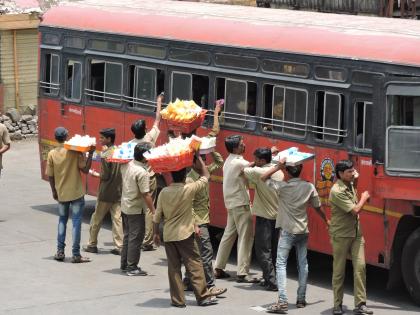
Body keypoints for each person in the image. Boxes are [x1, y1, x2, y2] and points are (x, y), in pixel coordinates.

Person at [261, 158, 329, 314]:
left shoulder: (282, 187)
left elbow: (263, 178)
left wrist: (278, 167)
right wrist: (327, 221)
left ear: (287, 171)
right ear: (301, 170)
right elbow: (318, 207)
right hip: (303, 230)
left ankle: (283, 300)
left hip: (287, 231)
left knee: (280, 264)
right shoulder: (309, 187)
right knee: (303, 264)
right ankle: (301, 298)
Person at [153, 155, 218, 308]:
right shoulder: (189, 188)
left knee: (174, 268)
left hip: (169, 234)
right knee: (194, 265)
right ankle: (202, 297)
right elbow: (206, 175)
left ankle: (178, 300)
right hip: (186, 234)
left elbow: (157, 216)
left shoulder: (164, 192)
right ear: (184, 176)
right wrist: (197, 157)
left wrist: (156, 234)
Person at [182, 102, 227, 296]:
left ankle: (187, 281)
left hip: (202, 219)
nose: (205, 161)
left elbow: (219, 161)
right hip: (198, 222)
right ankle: (209, 285)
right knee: (206, 252)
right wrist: (194, 223)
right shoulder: (191, 178)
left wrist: (208, 150)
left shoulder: (204, 170)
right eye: (201, 159)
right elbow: (188, 205)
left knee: (195, 253)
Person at [329, 160, 373, 315]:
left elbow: (354, 187)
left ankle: (360, 304)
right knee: (339, 270)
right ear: (340, 174)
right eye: (349, 172)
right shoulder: (337, 191)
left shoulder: (350, 183)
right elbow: (355, 210)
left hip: (356, 234)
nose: (353, 174)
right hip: (341, 235)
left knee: (360, 268)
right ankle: (337, 305)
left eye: (353, 171)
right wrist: (364, 197)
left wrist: (356, 179)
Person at [46, 127, 95, 263]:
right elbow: (85, 170)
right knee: (76, 222)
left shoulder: (51, 154)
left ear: (56, 138)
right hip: (76, 193)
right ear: (67, 137)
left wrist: (54, 191)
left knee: (62, 220)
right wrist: (90, 154)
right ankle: (76, 254)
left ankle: (60, 251)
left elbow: (50, 175)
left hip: (61, 193)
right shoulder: (75, 151)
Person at [214, 135, 257, 283]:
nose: (244, 145)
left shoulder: (228, 161)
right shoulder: (239, 162)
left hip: (231, 203)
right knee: (246, 237)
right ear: (235, 148)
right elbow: (254, 164)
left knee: (229, 235)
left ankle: (218, 267)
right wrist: (272, 155)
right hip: (240, 204)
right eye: (241, 144)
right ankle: (243, 272)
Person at [243, 147, 283, 291]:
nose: (254, 161)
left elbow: (244, 169)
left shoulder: (258, 171)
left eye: (256, 159)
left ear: (262, 160)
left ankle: (272, 282)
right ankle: (270, 278)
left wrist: (254, 164)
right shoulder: (278, 171)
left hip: (264, 217)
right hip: (277, 217)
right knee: (273, 250)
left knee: (262, 250)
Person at [129, 94, 163, 251]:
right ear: (145, 130)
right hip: (148, 178)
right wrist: (159, 101)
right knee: (150, 208)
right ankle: (147, 240)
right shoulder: (149, 139)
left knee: (137, 207)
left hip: (133, 178)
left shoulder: (129, 144)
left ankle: (135, 235)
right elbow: (158, 119)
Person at [84, 128, 123, 255]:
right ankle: (119, 246)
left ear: (109, 139)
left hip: (105, 192)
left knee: (97, 218)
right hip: (117, 191)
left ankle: (92, 244)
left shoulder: (105, 155)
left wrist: (95, 174)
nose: (100, 140)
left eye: (102, 138)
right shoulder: (119, 151)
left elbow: (105, 176)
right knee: (117, 219)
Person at [120, 143, 156, 276]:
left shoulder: (128, 165)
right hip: (136, 209)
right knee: (136, 239)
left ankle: (125, 264)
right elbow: (146, 194)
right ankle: (132, 267)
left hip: (125, 205)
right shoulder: (142, 172)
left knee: (128, 236)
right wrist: (153, 210)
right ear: (145, 157)